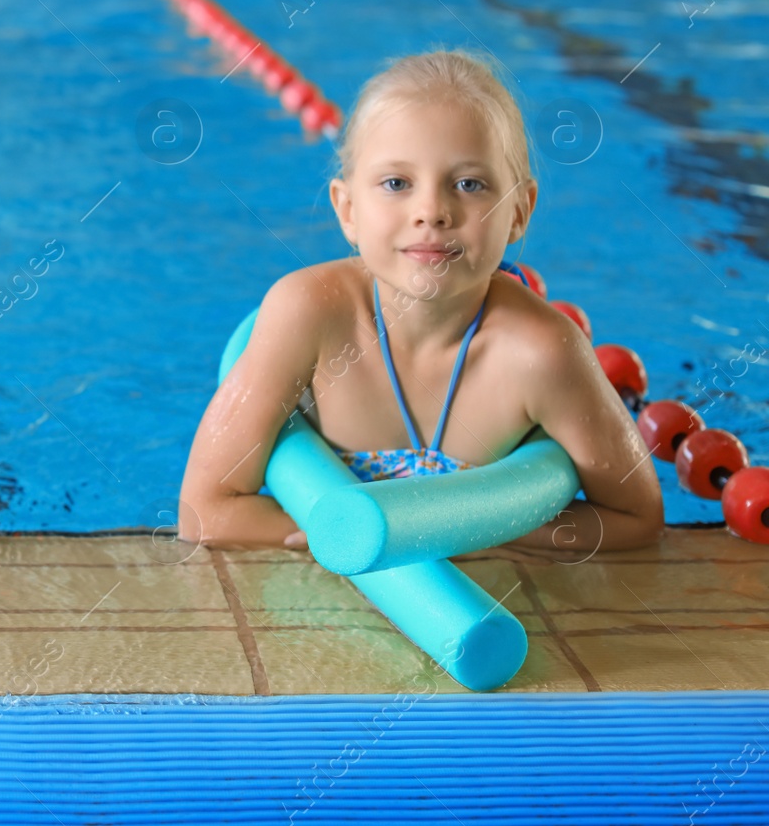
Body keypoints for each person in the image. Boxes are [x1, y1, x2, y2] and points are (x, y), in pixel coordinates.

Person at [179, 50, 662, 557]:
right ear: (347, 209)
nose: (431, 211)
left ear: (519, 211)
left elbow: (637, 517)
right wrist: (332, 537)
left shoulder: (543, 353)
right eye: (396, 184)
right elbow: (203, 511)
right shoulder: (309, 317)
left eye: (469, 184)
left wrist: (466, 533)